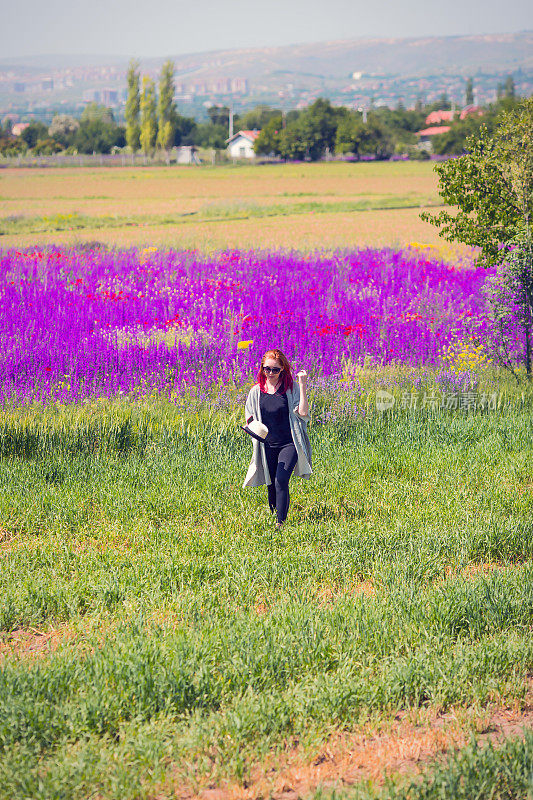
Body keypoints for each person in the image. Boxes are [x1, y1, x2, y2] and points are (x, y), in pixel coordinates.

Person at [243, 349, 312, 527]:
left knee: (281, 479)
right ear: (262, 369)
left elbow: (303, 413)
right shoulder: (256, 392)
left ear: (283, 369)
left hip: (289, 443)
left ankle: (280, 524)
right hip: (267, 445)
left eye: (275, 370)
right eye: (267, 369)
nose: (271, 373)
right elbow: (249, 417)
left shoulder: (291, 389)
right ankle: (273, 514)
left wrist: (303, 385)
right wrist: (251, 428)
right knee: (271, 483)